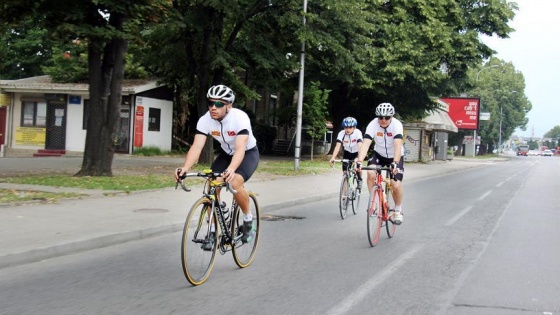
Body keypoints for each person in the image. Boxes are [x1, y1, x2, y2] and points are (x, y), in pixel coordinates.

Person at [175, 84, 259, 247]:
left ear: (229, 105)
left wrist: (232, 169)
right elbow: (197, 147)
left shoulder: (240, 118)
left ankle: (248, 218)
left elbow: (240, 148)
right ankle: (213, 232)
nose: (213, 107)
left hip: (247, 154)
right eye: (211, 103)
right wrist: (185, 168)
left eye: (219, 104)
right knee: (211, 186)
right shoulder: (205, 120)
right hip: (226, 155)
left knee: (234, 183)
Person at [355, 102, 404, 225]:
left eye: (386, 117)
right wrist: (359, 160)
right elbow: (366, 143)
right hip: (379, 154)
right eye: (380, 117)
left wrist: (395, 163)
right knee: (371, 173)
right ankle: (375, 203)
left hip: (395, 156)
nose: (383, 120)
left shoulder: (397, 125)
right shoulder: (373, 124)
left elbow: (398, 145)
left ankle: (398, 209)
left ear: (391, 117)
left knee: (395, 185)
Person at [329, 117, 363, 189]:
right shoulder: (341, 134)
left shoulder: (358, 133)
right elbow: (337, 146)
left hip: (357, 152)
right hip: (347, 153)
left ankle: (360, 179)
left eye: (350, 127)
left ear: (354, 127)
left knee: (357, 167)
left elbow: (360, 146)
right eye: (346, 127)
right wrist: (333, 157)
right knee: (345, 172)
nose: (347, 129)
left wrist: (359, 159)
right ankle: (344, 193)